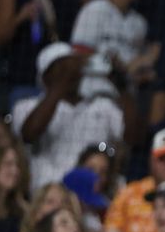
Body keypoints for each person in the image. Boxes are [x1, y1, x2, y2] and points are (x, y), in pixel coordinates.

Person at [12, 43, 125, 192]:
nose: (71, 70)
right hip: (48, 196)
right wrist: (61, 83)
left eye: (74, 64)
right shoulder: (26, 106)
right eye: (62, 66)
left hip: (93, 195)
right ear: (45, 76)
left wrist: (122, 84)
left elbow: (134, 137)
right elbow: (29, 134)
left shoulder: (103, 106)